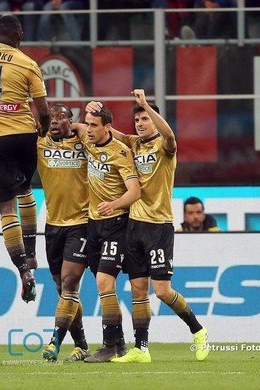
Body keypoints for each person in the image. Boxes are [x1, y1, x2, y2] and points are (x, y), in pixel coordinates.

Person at [0, 84, 90, 361]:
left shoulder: (84, 143)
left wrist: (84, 130)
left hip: (83, 222)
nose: (51, 122)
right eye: (48, 118)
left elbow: (107, 137)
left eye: (58, 117)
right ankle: (83, 344)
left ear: (70, 120)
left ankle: (54, 343)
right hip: (53, 225)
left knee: (70, 282)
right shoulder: (40, 143)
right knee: (63, 289)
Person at [89, 89, 209, 364]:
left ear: (154, 120)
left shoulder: (165, 147)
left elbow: (170, 135)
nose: (141, 123)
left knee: (162, 291)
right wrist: (94, 108)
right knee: (139, 289)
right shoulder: (134, 144)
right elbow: (108, 132)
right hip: (134, 225)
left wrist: (146, 104)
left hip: (159, 226)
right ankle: (141, 349)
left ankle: (198, 330)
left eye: (145, 118)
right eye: (138, 119)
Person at [0, 14, 50, 303]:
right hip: (24, 135)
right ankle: (31, 253)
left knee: (6, 208)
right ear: (21, 36)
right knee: (26, 191)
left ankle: (22, 269)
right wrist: (44, 129)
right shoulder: (28, 64)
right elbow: (43, 110)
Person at [70, 104, 141, 363]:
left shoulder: (120, 152)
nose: (88, 129)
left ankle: (109, 346)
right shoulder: (88, 139)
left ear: (108, 127)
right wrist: (90, 104)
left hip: (116, 224)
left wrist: (115, 203)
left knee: (103, 282)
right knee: (104, 286)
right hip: (93, 225)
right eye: (87, 124)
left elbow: (135, 190)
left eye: (94, 125)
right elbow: (73, 126)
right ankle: (120, 343)